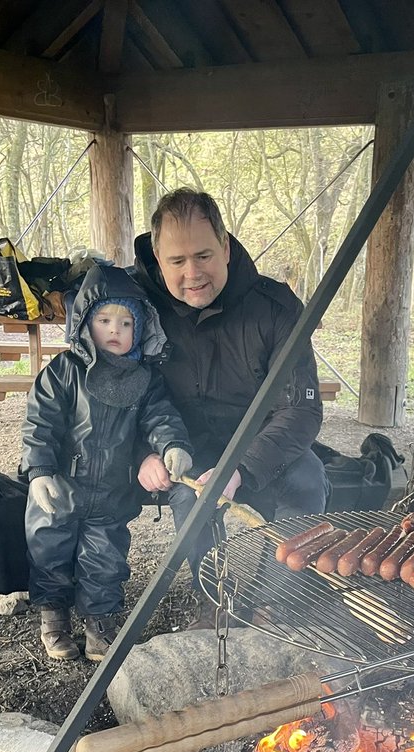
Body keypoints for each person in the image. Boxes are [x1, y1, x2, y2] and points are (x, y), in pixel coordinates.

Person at [131, 188, 328, 588]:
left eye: (203, 256)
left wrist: (241, 467)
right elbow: (115, 395)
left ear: (225, 247)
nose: (193, 273)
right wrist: (141, 453)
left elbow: (302, 410)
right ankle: (215, 600)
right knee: (191, 498)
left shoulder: (275, 308)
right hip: (184, 449)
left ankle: (278, 599)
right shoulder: (134, 308)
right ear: (158, 261)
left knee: (309, 480)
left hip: (261, 444)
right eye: (177, 261)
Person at [21, 264, 193, 662]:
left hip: (112, 493)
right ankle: (54, 617)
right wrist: (39, 471)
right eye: (104, 319)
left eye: (126, 322)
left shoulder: (145, 378)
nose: (115, 330)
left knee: (105, 560)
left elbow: (160, 417)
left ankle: (99, 622)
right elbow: (40, 424)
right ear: (84, 323)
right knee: (50, 551)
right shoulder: (64, 372)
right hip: (61, 489)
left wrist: (171, 444)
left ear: (141, 328)